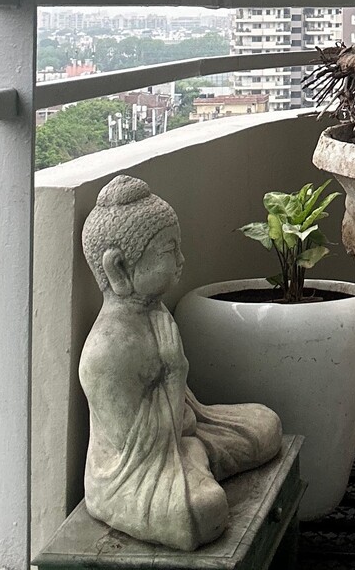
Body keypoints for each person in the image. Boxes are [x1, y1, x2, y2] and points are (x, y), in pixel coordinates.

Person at [79, 175, 283, 551]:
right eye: (169, 251)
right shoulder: (106, 352)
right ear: (118, 268)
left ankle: (197, 459)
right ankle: (197, 463)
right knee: (202, 511)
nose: (181, 261)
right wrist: (175, 374)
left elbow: (189, 419)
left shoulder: (153, 312)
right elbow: (135, 451)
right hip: (132, 475)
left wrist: (189, 417)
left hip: (182, 437)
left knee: (266, 424)